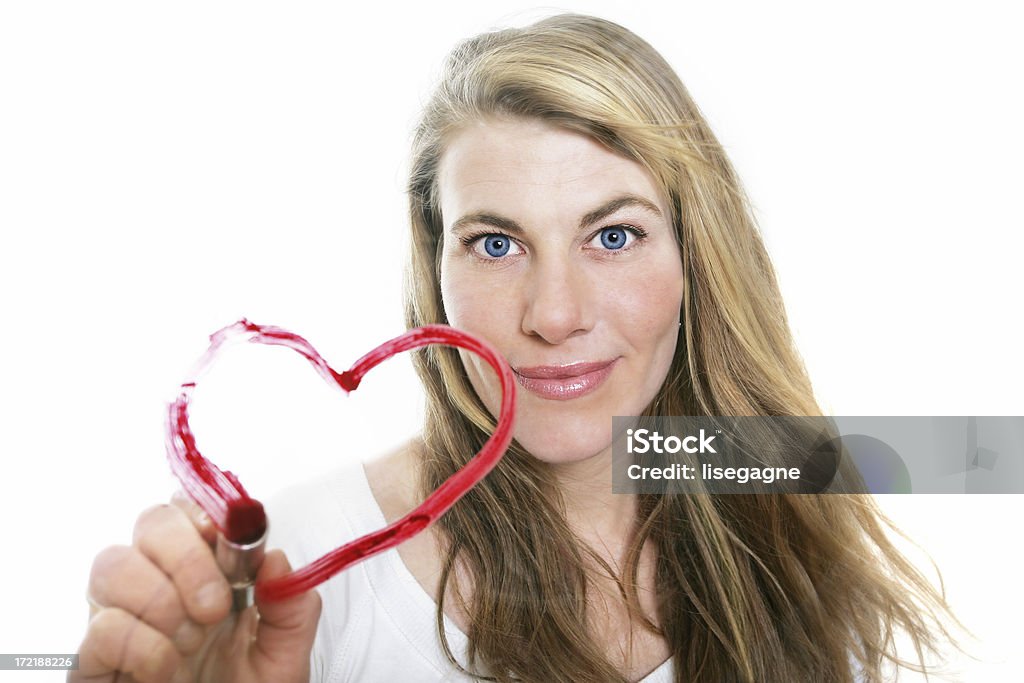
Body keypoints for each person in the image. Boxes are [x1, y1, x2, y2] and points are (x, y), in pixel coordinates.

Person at [71, 14, 956, 683]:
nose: (554, 314)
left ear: (698, 255)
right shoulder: (296, 566)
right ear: (437, 269)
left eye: (612, 236)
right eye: (496, 243)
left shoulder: (784, 499)